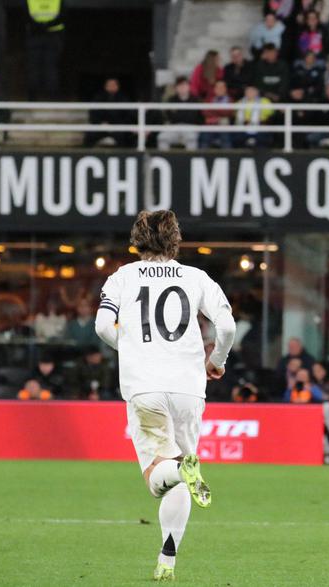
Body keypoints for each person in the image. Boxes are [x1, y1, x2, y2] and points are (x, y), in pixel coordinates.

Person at [94, 209, 236, 582]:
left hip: (146, 388)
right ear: (175, 239)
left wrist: (130, 348)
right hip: (189, 388)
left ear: (137, 239)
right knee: (179, 469)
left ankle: (180, 468)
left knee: (159, 475)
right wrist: (216, 361)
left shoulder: (122, 277)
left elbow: (102, 325)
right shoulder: (196, 277)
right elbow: (226, 326)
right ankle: (167, 560)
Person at [25, 0, 65, 100]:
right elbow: (63, 15)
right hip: (53, 35)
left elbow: (25, 16)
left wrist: (39, 26)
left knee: (34, 67)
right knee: (50, 67)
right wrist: (47, 25)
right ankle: (52, 98)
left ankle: (32, 98)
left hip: (35, 34)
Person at [85, 78, 135, 148]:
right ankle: (87, 152)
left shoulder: (124, 98)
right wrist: (100, 123)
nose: (111, 87)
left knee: (124, 136)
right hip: (101, 126)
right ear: (105, 87)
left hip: (118, 127)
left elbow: (128, 115)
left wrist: (116, 125)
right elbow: (93, 113)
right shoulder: (98, 97)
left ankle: (122, 153)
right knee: (90, 134)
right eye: (109, 85)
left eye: (113, 85)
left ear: (117, 87)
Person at [157, 77, 202, 151]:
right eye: (180, 85)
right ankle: (165, 157)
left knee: (191, 139)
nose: (182, 88)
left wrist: (181, 116)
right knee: (162, 137)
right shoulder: (171, 100)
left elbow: (195, 117)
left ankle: (190, 158)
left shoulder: (195, 100)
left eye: (184, 85)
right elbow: (170, 117)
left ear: (189, 86)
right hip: (174, 127)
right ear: (176, 88)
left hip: (190, 128)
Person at [199, 80, 233, 149]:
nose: (220, 89)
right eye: (217, 87)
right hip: (211, 124)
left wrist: (213, 110)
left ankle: (228, 155)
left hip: (223, 126)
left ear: (225, 89)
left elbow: (228, 112)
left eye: (222, 87)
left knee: (225, 138)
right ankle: (202, 155)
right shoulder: (209, 99)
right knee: (204, 138)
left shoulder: (229, 100)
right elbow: (205, 112)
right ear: (214, 89)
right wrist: (220, 112)